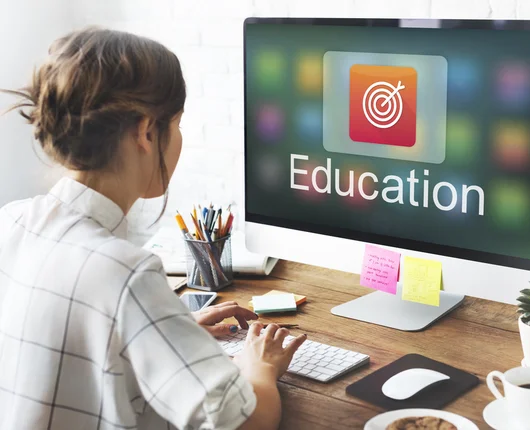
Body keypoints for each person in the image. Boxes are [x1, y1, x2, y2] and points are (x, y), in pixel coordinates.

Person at [0, 27, 306, 430]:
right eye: (176, 124)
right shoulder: (126, 273)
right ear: (146, 132)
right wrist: (259, 366)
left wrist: (165, 330)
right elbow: (247, 422)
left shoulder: (11, 221)